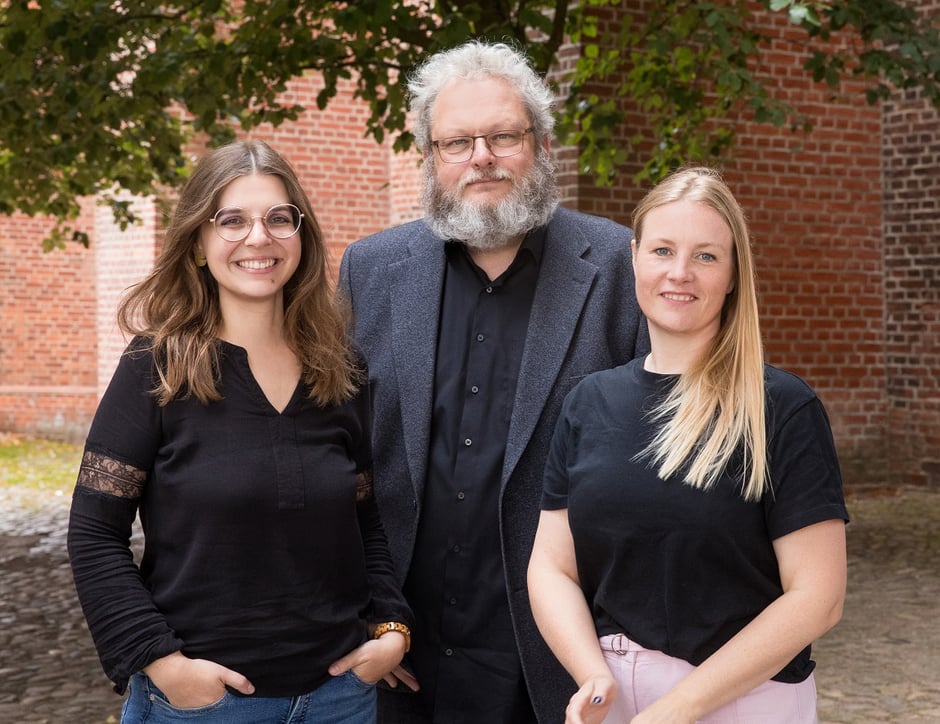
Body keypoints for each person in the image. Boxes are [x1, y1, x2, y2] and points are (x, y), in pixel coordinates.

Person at [337, 41, 649, 724]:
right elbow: (339, 454)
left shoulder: (620, 270)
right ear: (431, 157)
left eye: (503, 136)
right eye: (456, 142)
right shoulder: (370, 271)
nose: (481, 156)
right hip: (399, 654)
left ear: (539, 143)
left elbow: (654, 463)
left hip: (549, 664)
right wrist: (358, 612)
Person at [67, 140, 413, 723]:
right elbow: (94, 535)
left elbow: (363, 521)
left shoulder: (341, 372)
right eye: (232, 220)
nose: (260, 237)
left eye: (280, 218)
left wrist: (392, 628)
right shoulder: (157, 367)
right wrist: (163, 663)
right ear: (199, 243)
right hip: (205, 706)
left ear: (302, 237)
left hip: (339, 699)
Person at [527, 166, 849, 724]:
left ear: (732, 274)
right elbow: (551, 567)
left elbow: (817, 597)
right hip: (615, 700)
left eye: (705, 256)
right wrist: (591, 674)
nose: (680, 272)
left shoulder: (781, 407)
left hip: (745, 700)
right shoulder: (588, 402)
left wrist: (677, 709)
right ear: (633, 257)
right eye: (662, 250)